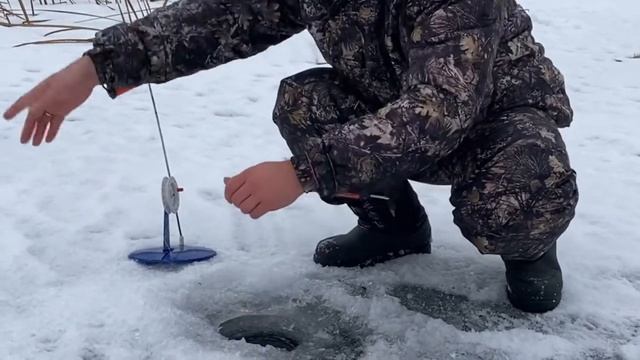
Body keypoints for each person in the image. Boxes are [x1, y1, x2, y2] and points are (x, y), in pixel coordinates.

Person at [3, 0, 578, 313]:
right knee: (307, 102)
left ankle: (529, 248)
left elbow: (440, 111)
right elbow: (221, 17)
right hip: (393, 111)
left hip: (491, 124)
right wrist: (96, 66)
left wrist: (305, 173)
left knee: (521, 181)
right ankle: (393, 226)